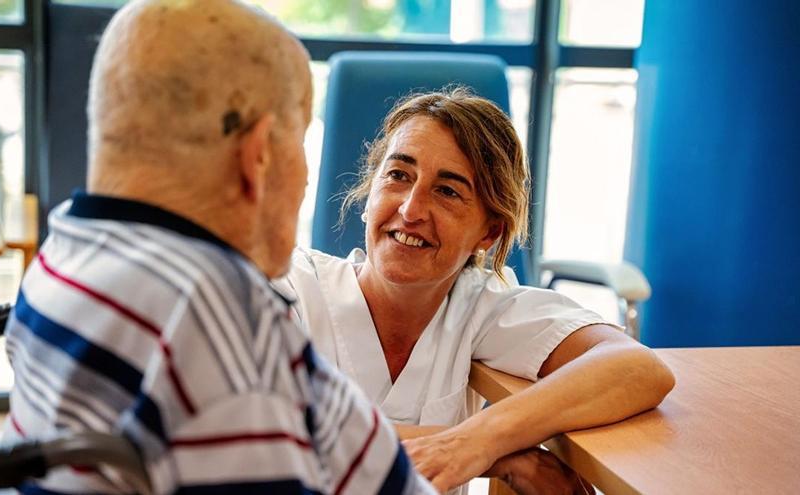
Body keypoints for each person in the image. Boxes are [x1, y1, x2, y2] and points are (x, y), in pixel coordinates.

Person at [2, 1, 434, 493]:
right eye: (301, 140)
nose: (308, 173)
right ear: (259, 156)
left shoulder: (67, 251)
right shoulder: (209, 323)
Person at [277, 88, 676, 493]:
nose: (411, 210)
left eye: (447, 191)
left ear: (489, 232)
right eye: (398, 176)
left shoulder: (479, 306)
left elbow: (637, 368)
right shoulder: (291, 286)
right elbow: (275, 436)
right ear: (370, 193)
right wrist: (502, 455)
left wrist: (480, 439)